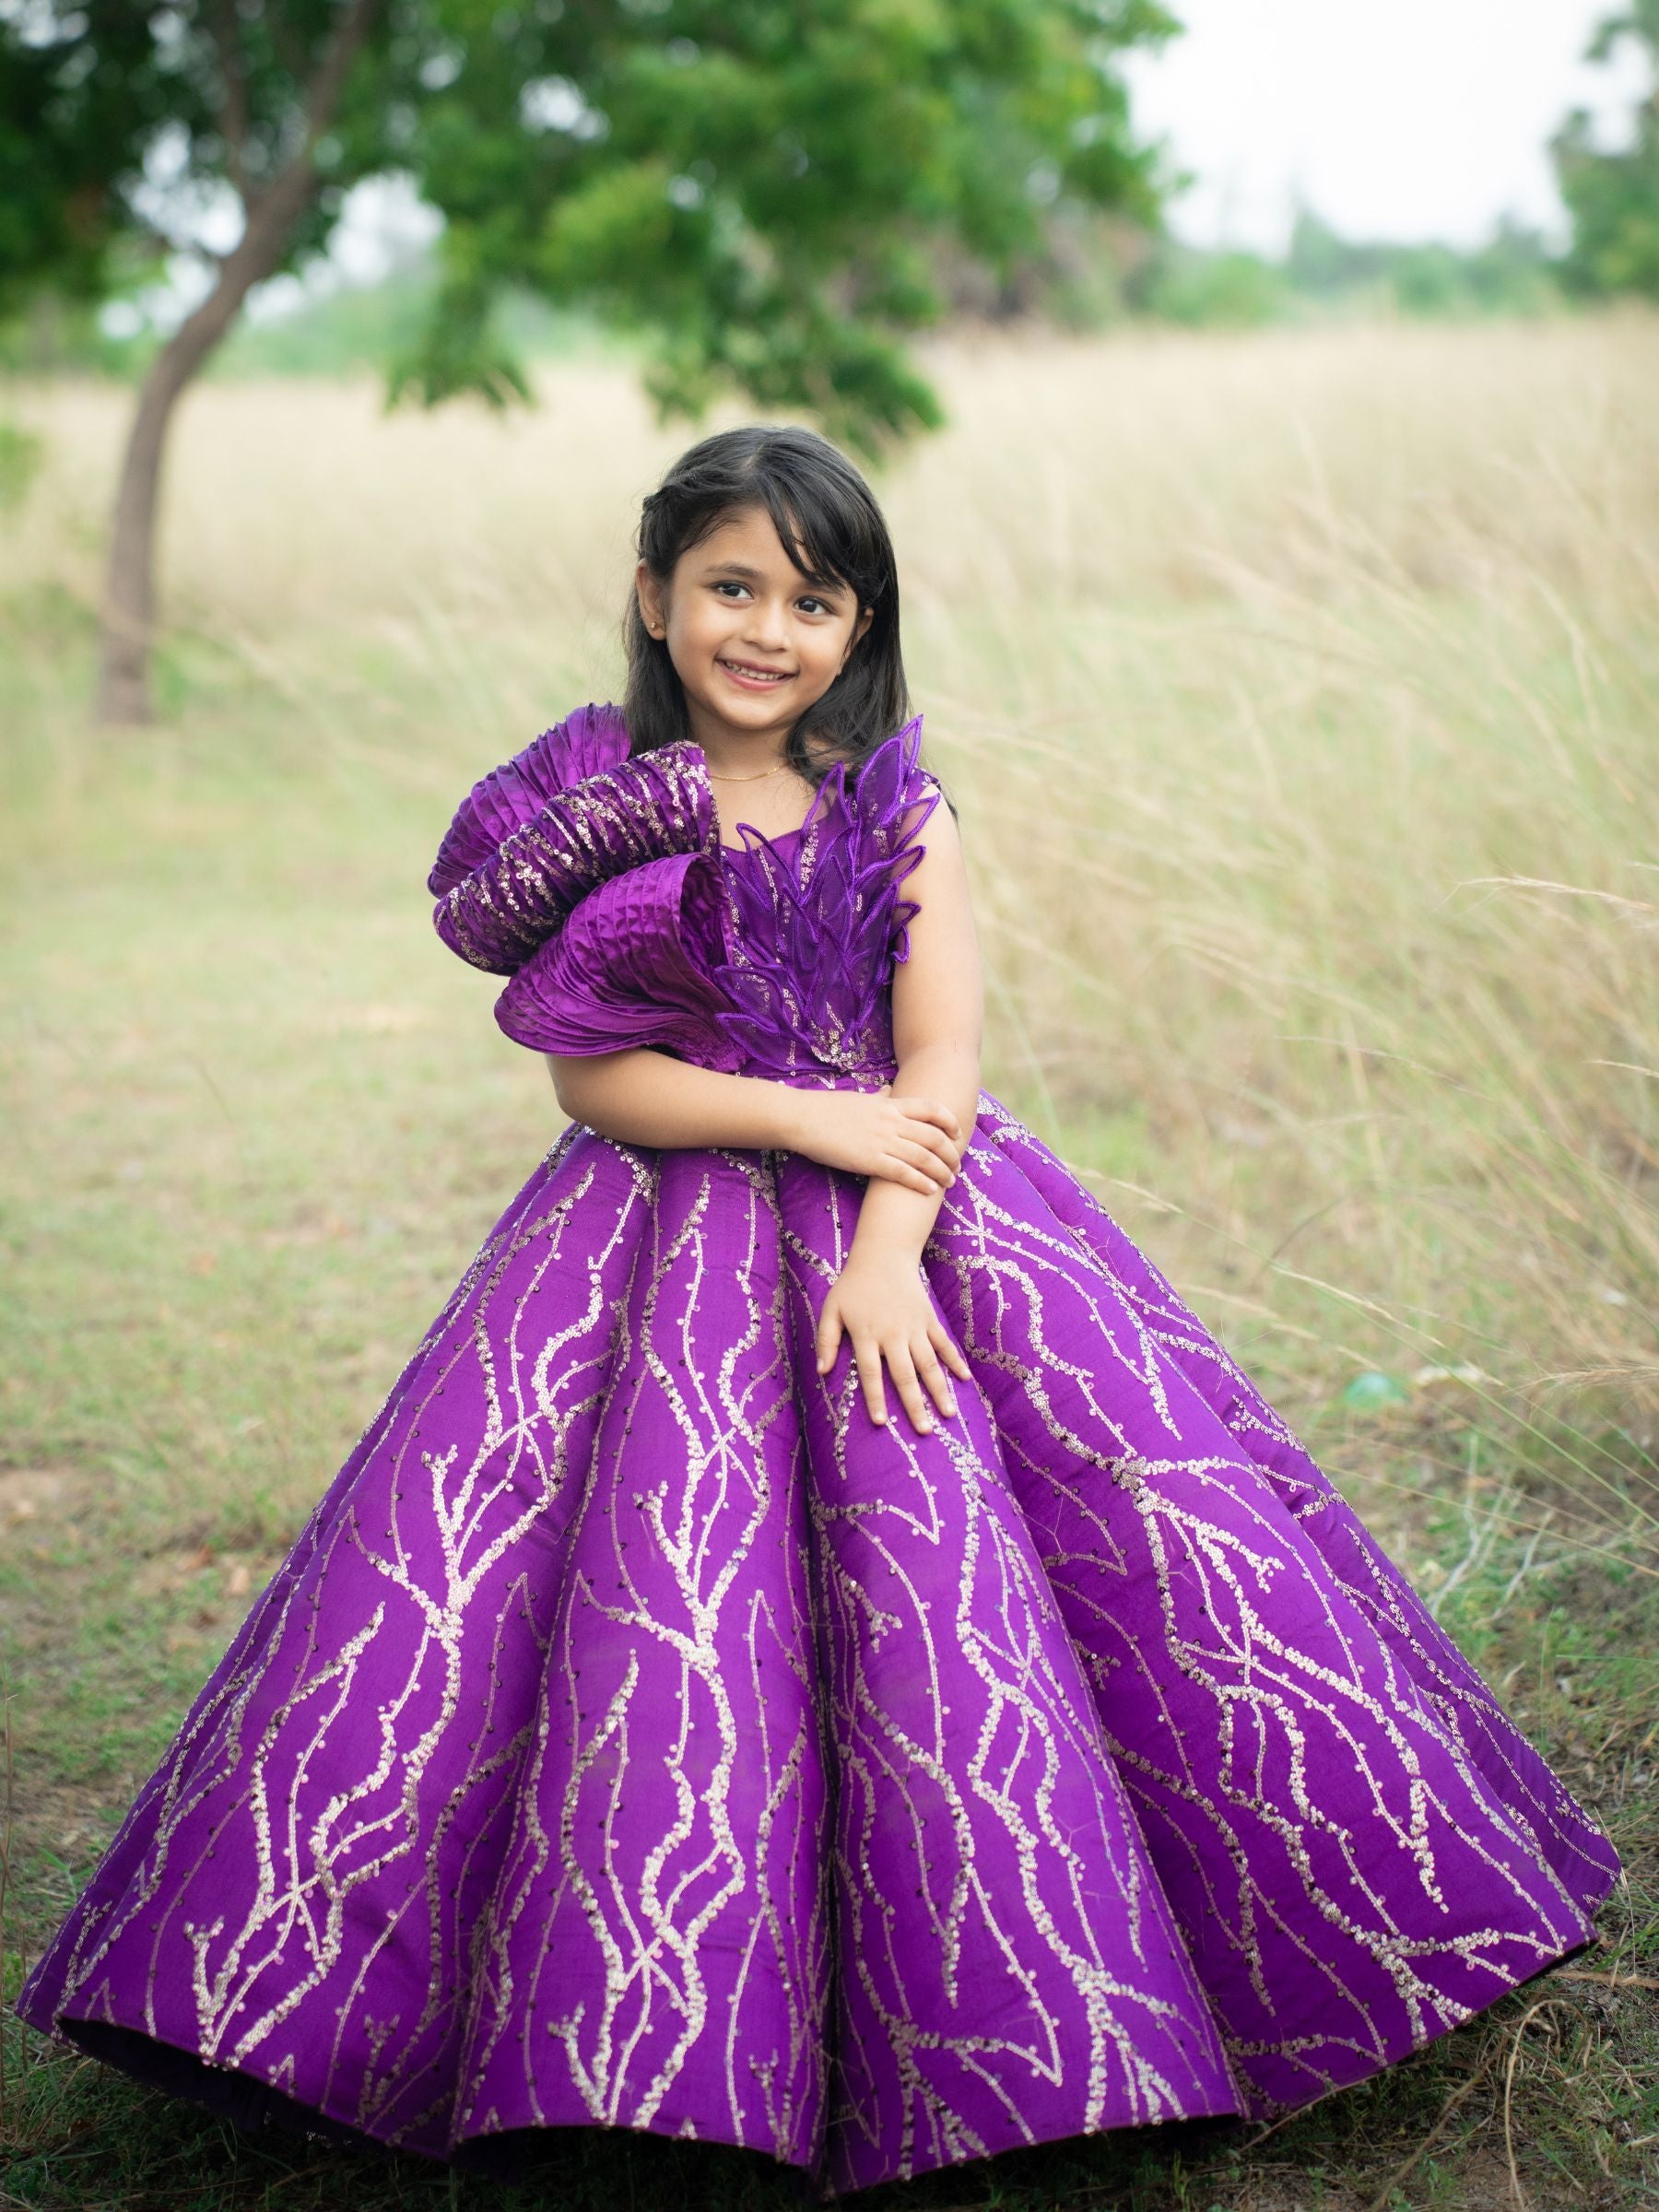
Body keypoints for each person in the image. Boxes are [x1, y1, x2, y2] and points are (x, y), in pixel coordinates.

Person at [16, 424, 1619, 2199]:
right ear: (655, 595)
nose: (767, 629)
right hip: (667, 1243)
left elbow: (940, 1056)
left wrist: (881, 1241)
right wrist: (804, 1117)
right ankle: (635, 2027)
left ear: (859, 628)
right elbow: (594, 1082)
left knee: (990, 1577)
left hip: (920, 1227)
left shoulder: (898, 807)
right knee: (657, 1608)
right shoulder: (610, 803)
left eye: (812, 599)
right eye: (730, 587)